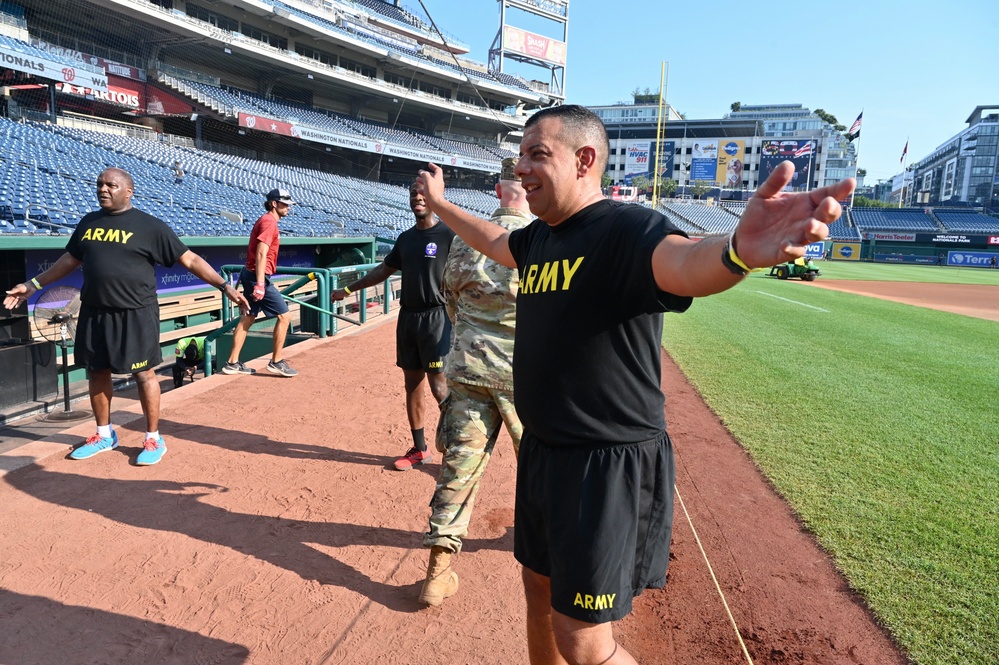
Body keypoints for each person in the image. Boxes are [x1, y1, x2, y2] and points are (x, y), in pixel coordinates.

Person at [416, 104, 854, 665]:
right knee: (538, 590)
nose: (522, 168)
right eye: (521, 155)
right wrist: (443, 204)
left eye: (537, 155)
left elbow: (686, 262)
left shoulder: (627, 228)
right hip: (547, 454)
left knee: (582, 638)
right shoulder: (541, 240)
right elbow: (497, 240)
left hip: (606, 463)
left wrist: (737, 252)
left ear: (585, 160)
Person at [3, 168, 249, 466]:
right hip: (94, 311)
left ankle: (153, 437)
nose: (103, 189)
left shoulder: (151, 226)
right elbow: (69, 259)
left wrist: (224, 286)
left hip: (135, 313)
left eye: (111, 185)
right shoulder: (88, 222)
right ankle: (104, 434)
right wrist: (33, 285)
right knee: (97, 372)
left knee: (143, 374)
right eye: (99, 185)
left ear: (129, 191)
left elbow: (190, 259)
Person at [419, 157, 532, 606]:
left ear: (497, 191)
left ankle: (437, 571)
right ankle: (559, 558)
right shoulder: (540, 240)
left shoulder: (467, 240)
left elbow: (450, 301)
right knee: (544, 470)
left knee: (458, 472)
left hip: (466, 370)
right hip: (524, 375)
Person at [331, 182, 455, 471]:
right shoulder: (406, 238)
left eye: (423, 194)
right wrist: (348, 291)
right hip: (408, 318)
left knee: (440, 387)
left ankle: (454, 449)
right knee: (412, 384)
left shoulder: (449, 235)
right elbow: (384, 270)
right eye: (414, 194)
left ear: (435, 198)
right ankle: (420, 449)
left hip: (437, 318)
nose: (418, 199)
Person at [223, 188, 299, 378]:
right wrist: (260, 284)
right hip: (256, 276)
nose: (288, 207)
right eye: (284, 204)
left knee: (248, 317)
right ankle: (276, 361)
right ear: (274, 203)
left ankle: (232, 363)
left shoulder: (268, 221)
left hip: (251, 275)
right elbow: (260, 253)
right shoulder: (269, 222)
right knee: (285, 316)